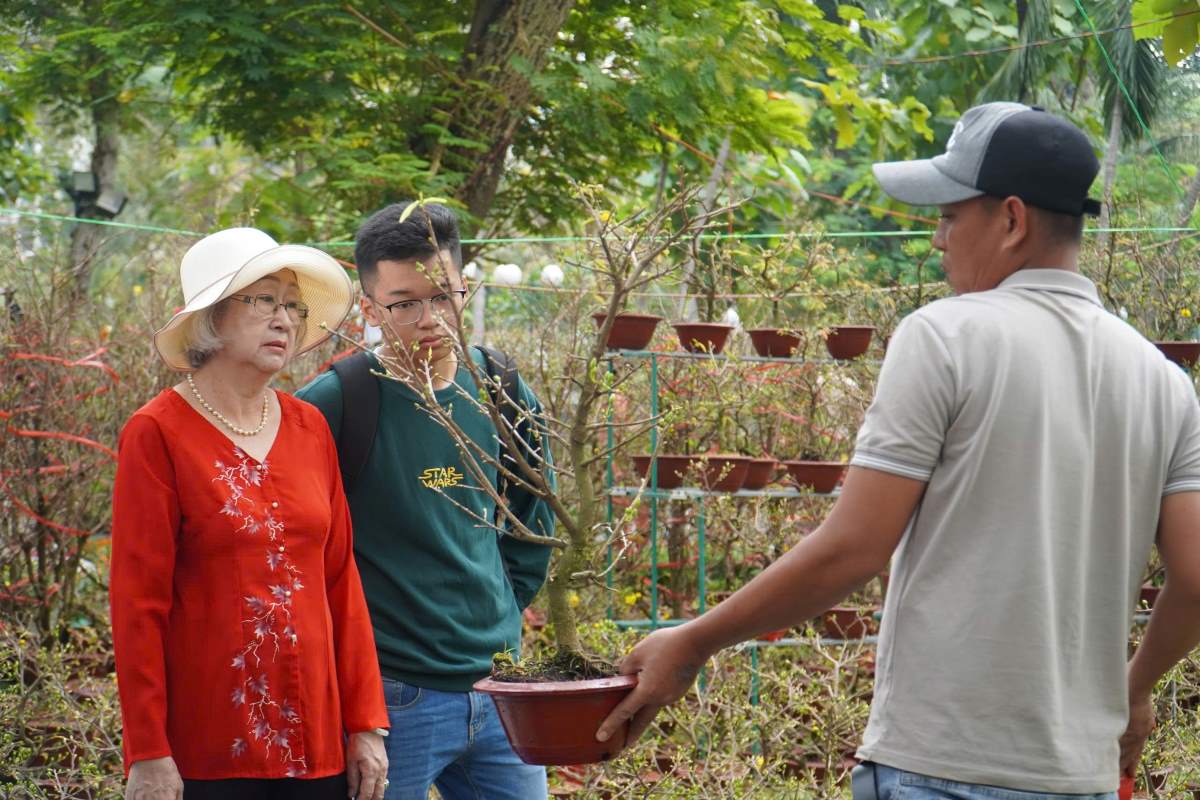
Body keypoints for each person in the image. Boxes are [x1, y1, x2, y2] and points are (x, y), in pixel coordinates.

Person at [596, 102, 1200, 798]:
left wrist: (694, 641)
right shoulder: (1162, 379)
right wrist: (1134, 688)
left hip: (942, 767)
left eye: (949, 216)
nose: (938, 238)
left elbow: (854, 549)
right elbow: (1195, 574)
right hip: (1078, 776)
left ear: (1011, 220)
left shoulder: (943, 336)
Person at [110, 228, 390, 800]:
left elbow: (340, 582)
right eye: (264, 300)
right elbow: (138, 603)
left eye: (293, 305)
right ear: (210, 317)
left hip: (319, 744)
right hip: (206, 752)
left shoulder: (310, 427)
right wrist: (148, 751)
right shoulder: (157, 433)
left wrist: (366, 725)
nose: (285, 319)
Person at [296, 202, 555, 800]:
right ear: (368, 308)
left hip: (501, 689)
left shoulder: (501, 390)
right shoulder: (335, 403)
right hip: (393, 694)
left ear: (466, 289)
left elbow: (533, 519)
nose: (431, 317)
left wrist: (501, 610)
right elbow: (303, 550)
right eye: (404, 302)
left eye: (444, 296)